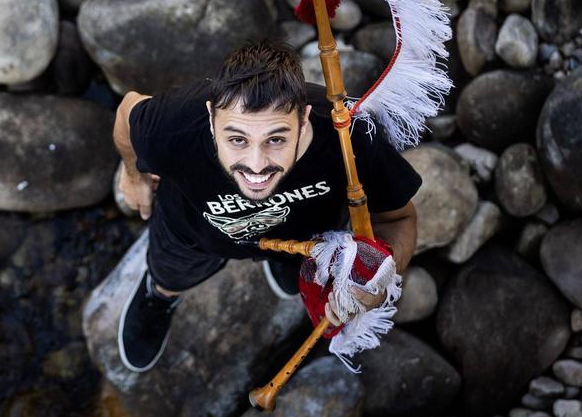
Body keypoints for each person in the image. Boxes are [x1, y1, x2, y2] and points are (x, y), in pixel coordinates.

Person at [112, 39, 422, 372]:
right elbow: (128, 110)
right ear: (211, 118)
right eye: (237, 139)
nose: (256, 165)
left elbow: (399, 218)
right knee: (169, 275)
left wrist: (378, 279)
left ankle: (285, 264)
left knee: (298, 263)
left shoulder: (350, 135)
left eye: (276, 139)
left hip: (306, 237)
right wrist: (134, 175)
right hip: (191, 233)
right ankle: (161, 296)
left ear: (304, 120)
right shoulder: (174, 122)